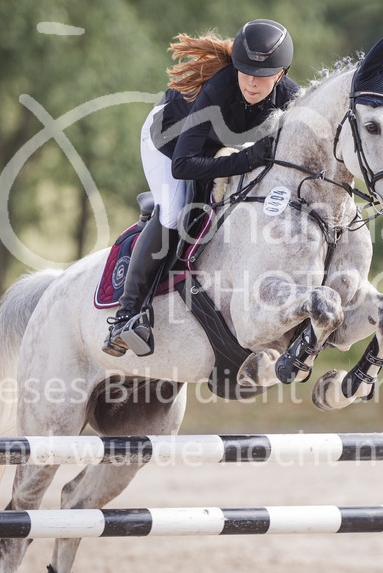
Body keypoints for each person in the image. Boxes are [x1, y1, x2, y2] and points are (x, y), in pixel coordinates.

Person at [104, 19, 300, 356]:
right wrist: (246, 159)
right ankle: (127, 315)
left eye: (264, 74)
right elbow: (183, 165)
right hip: (167, 145)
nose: (252, 82)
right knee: (175, 212)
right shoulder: (219, 89)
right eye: (245, 71)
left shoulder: (291, 98)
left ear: (281, 74)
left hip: (211, 149)